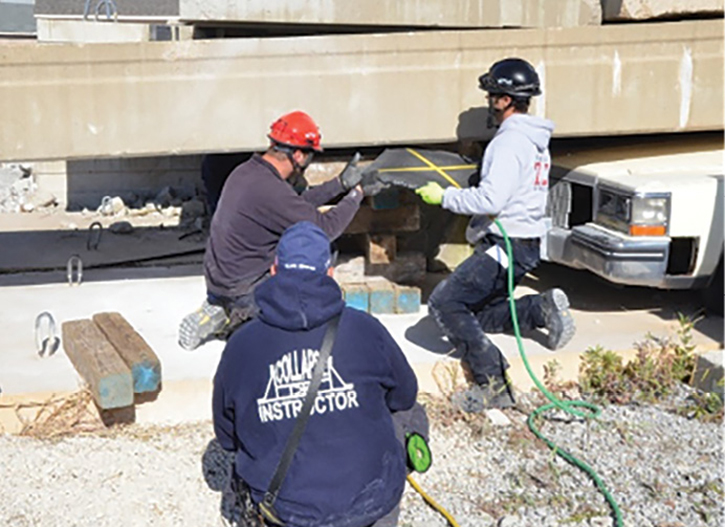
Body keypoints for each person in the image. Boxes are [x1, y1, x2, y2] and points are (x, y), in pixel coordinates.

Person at [213, 221, 427, 527]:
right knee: (410, 412)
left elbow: (227, 436)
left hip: (286, 511)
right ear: (330, 273)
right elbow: (405, 394)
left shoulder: (240, 346)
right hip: (370, 503)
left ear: (274, 271)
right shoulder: (365, 330)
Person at [415, 57, 576, 411]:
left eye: (492, 95)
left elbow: (491, 199)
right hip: (525, 243)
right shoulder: (533, 140)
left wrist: (443, 197)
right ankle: (538, 310)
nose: (489, 102)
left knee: (446, 303)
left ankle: (493, 385)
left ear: (506, 99)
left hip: (506, 243)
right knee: (481, 313)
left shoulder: (508, 143)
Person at [179, 110, 376, 350]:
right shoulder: (270, 190)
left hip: (221, 280)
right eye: (310, 156)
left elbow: (295, 203)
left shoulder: (248, 173)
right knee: (318, 248)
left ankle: (222, 308)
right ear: (298, 155)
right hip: (245, 288)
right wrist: (357, 194)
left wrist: (339, 185)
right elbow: (326, 228)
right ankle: (244, 317)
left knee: (298, 237)